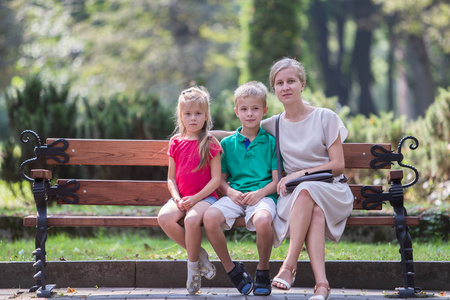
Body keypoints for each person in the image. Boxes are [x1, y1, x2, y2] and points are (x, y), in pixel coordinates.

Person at [260, 58, 353, 300]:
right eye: (279, 83)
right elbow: (235, 134)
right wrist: (200, 134)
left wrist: (300, 174)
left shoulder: (325, 117)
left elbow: (338, 165)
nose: (285, 87)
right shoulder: (274, 124)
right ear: (274, 90)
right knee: (315, 212)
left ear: (302, 84)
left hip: (332, 190)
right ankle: (322, 285)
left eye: (291, 81)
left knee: (306, 190)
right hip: (295, 198)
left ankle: (289, 265)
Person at [203, 81, 278, 296]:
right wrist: (230, 192)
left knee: (264, 220)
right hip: (234, 195)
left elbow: (275, 181)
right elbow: (221, 180)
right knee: (209, 218)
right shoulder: (227, 144)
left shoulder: (272, 143)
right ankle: (232, 270)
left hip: (263, 195)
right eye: (244, 109)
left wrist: (260, 193)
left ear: (264, 111)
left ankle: (263, 271)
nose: (250, 114)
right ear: (237, 111)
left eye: (255, 109)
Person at [157, 86, 222, 295]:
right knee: (164, 218)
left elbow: (216, 180)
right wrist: (176, 199)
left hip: (205, 198)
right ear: (181, 116)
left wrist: (194, 199)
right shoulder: (175, 142)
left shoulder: (210, 143)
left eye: (198, 113)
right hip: (182, 198)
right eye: (188, 114)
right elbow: (171, 178)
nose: (193, 118)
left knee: (191, 220)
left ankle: (193, 270)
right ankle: (200, 253)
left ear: (206, 116)